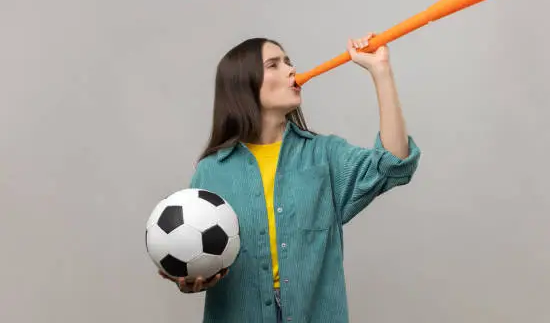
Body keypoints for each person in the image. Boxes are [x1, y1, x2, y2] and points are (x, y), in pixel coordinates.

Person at [159, 33, 422, 322]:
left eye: (288, 61)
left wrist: (380, 71)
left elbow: (395, 164)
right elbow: (193, 252)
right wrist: (191, 277)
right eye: (274, 65)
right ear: (243, 85)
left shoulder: (325, 155)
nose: (290, 70)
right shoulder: (211, 171)